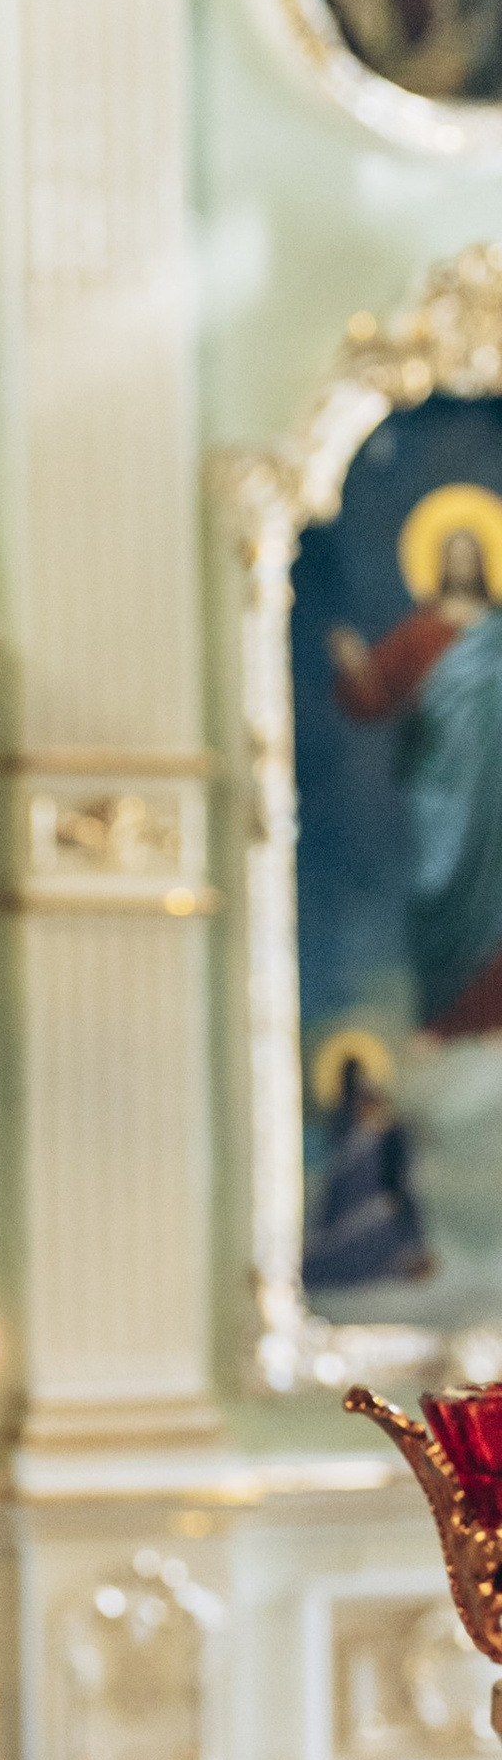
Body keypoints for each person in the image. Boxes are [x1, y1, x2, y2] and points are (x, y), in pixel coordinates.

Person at [329, 511, 502, 1036]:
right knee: (437, 887)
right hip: (439, 788)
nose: (461, 565)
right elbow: (376, 694)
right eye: (452, 557)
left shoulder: (497, 633)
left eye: (470, 556)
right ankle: (443, 1018)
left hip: (494, 785)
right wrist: (357, 667)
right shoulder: (420, 632)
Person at [301, 1046, 435, 1290]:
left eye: (372, 1099)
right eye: (360, 1099)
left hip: (378, 1214)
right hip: (339, 1212)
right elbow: (331, 1177)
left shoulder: (392, 1134)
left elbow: (401, 1183)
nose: (367, 1107)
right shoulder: (340, 1127)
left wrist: (415, 1244)